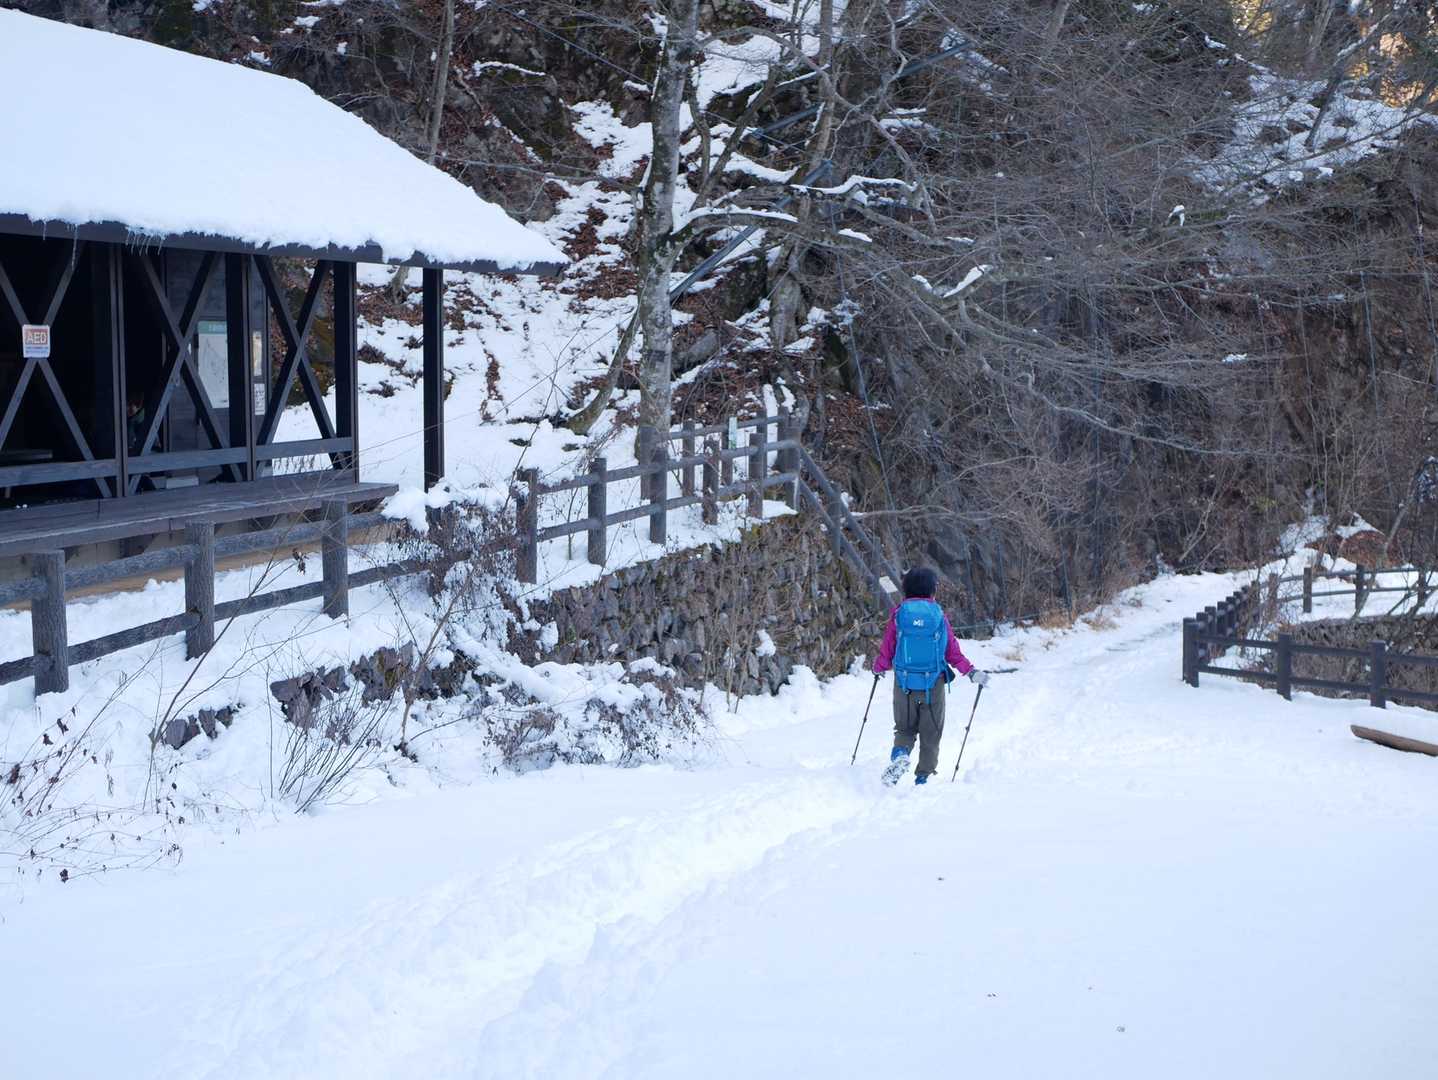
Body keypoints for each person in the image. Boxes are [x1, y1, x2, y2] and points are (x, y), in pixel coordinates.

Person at [871, 566, 988, 785]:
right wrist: (970, 671)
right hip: (933, 684)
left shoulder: (899, 615)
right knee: (931, 733)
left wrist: (879, 667)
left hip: (904, 682)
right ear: (932, 590)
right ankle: (923, 778)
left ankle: (900, 755)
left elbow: (888, 648)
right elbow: (952, 652)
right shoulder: (938, 616)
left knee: (904, 729)